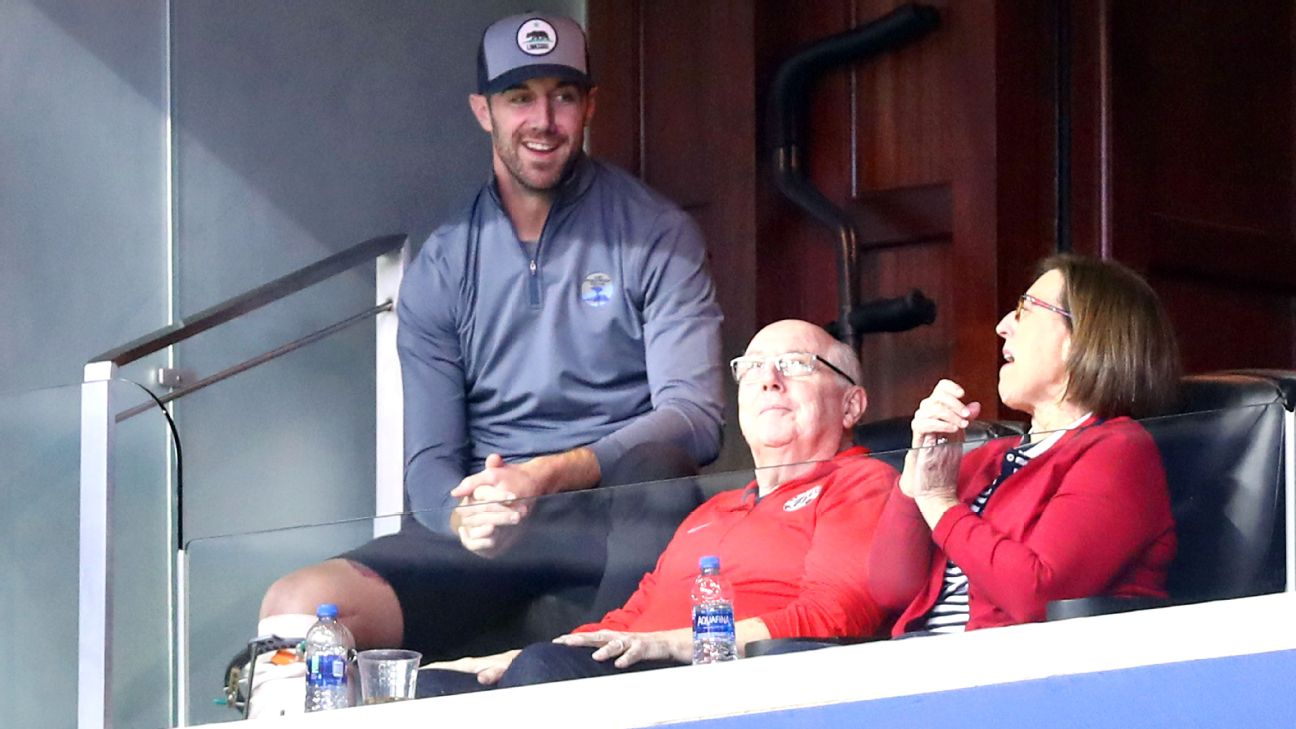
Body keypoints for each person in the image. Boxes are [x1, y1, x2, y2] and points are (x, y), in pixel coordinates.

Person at [244, 14, 723, 717]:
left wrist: (546, 474)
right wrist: (467, 515)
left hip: (620, 519)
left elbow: (695, 417)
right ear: (483, 111)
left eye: (563, 95)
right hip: (495, 530)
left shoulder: (655, 232)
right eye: (519, 97)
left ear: (590, 105)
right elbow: (432, 465)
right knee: (296, 603)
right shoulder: (443, 260)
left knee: (659, 463)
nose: (544, 119)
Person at [415, 319, 899, 694]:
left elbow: (834, 616)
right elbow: (628, 622)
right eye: (751, 367)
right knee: (437, 686)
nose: (768, 379)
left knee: (544, 672)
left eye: (796, 364)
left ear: (852, 405)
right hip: (641, 672)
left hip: (730, 686)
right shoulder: (712, 513)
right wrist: (509, 657)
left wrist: (676, 642)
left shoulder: (863, 482)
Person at [869, 254, 1180, 635]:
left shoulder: (1119, 449)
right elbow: (890, 590)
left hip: (1027, 676)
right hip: (925, 665)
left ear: (1081, 337)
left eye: (1024, 310)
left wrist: (939, 503)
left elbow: (1038, 594)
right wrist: (915, 479)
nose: (1002, 327)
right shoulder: (988, 459)